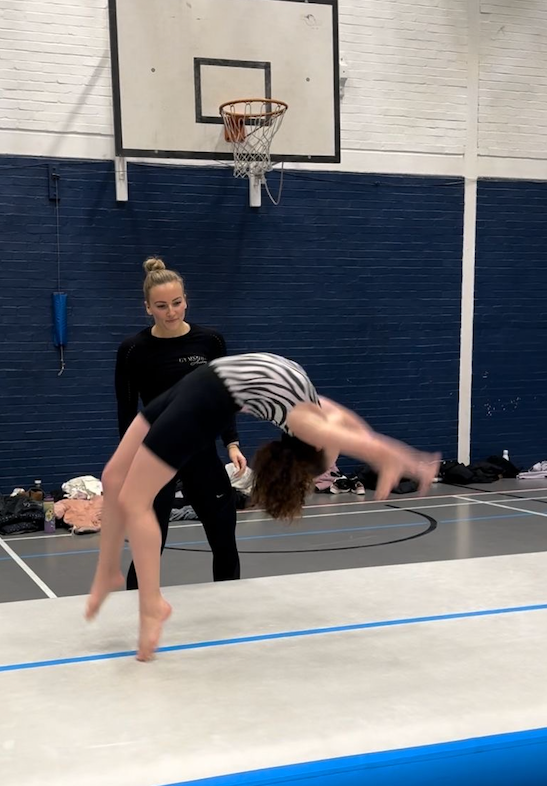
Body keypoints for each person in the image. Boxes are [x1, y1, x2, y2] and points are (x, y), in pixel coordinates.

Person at [86, 352, 440, 662]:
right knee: (113, 476)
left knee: (135, 500)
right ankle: (108, 570)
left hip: (206, 396)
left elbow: (359, 439)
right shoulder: (314, 414)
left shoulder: (309, 421)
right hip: (200, 385)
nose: (337, 444)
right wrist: (396, 458)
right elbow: (361, 434)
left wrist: (394, 459)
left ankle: (152, 606)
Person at [115, 257, 246, 587]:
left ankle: (230, 603)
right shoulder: (132, 350)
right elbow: (127, 410)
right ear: (147, 307)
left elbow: (224, 395)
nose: (171, 312)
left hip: (201, 454)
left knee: (224, 539)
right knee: (149, 545)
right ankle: (134, 608)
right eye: (161, 306)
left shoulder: (210, 342)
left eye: (176, 303)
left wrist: (231, 443)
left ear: (186, 300)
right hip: (156, 456)